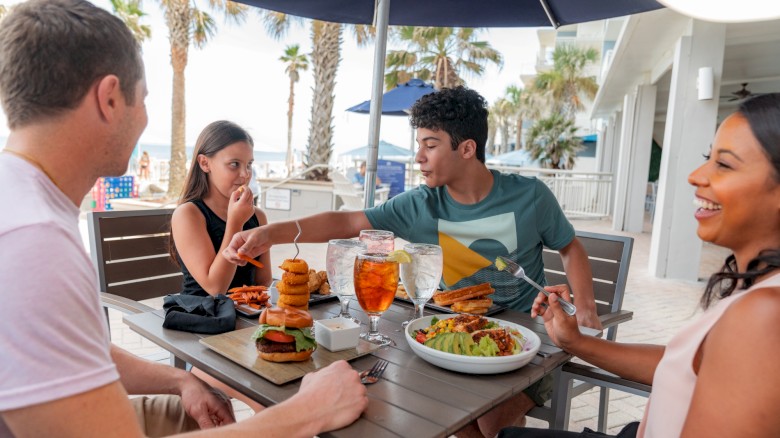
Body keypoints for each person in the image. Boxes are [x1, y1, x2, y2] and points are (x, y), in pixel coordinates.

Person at [0, 1, 367, 437]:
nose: (145, 117)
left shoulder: (21, 206)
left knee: (193, 406)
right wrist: (307, 414)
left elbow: (73, 351)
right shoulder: (33, 244)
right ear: (110, 97)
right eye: (144, 100)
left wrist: (180, 379)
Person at [224, 86, 600, 437]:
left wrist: (584, 308)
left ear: (467, 148)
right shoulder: (421, 203)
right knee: (409, 401)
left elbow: (570, 248)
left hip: (526, 344)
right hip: (448, 338)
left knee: (483, 423)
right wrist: (270, 233)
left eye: (430, 145)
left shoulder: (529, 196)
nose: (418, 156)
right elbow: (349, 221)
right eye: (417, 144)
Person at [500, 93, 780, 438]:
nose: (695, 176)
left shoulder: (765, 316)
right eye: (708, 158)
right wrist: (576, 341)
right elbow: (686, 367)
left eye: (724, 164)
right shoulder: (757, 288)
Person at [170, 120, 272, 413]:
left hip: (246, 327)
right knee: (273, 404)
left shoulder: (257, 216)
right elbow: (215, 287)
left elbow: (263, 280)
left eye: (249, 165)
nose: (245, 175)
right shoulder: (189, 214)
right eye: (234, 164)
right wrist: (236, 222)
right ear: (205, 163)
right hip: (205, 329)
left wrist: (259, 238)